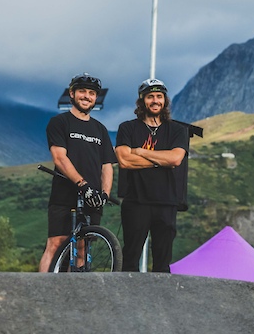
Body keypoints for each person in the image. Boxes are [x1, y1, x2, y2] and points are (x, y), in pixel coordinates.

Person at [39, 74, 117, 272]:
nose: (87, 96)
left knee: (82, 248)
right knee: (56, 243)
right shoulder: (60, 122)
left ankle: (75, 298)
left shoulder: (100, 129)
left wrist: (104, 194)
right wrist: (83, 185)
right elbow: (59, 158)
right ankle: (41, 293)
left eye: (92, 93)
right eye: (82, 91)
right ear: (72, 94)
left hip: (93, 198)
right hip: (65, 193)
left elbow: (107, 165)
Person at [114, 79, 190, 272]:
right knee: (130, 258)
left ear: (164, 100)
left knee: (162, 263)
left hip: (166, 202)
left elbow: (175, 159)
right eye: (150, 97)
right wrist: (160, 161)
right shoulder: (127, 128)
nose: (155, 100)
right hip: (135, 201)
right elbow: (124, 160)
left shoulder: (178, 130)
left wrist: (141, 152)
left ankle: (160, 301)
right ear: (142, 101)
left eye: (159, 96)